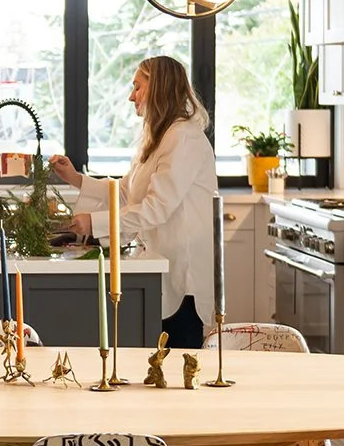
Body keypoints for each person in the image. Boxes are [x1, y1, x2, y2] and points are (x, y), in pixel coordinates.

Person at [49, 55, 218, 349]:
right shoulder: (159, 136)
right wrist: (74, 178)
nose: (131, 96)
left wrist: (93, 222)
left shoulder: (184, 138)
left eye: (137, 87)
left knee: (179, 372)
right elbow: (125, 193)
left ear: (159, 88)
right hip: (158, 268)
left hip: (182, 278)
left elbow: (156, 208)